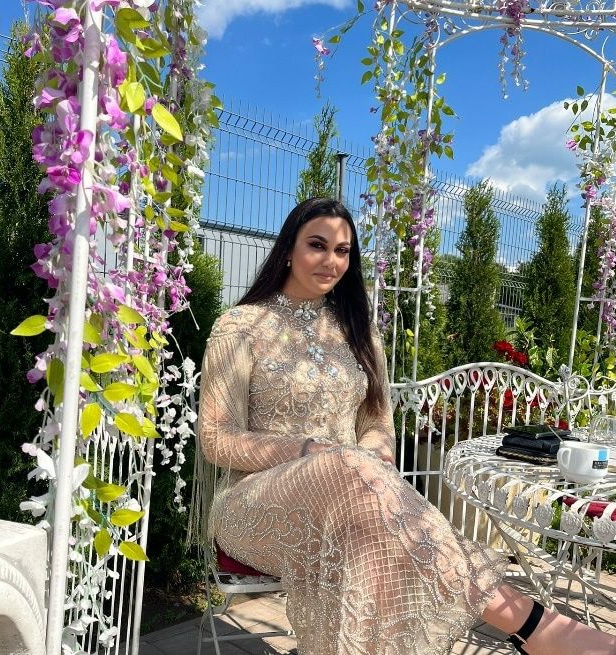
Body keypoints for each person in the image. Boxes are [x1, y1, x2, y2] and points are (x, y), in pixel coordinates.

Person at [193, 197, 616, 655]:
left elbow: (377, 422)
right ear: (288, 250)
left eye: (343, 251)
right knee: (351, 474)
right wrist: (311, 451)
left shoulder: (356, 329)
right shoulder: (241, 326)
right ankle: (534, 626)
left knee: (372, 539)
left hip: (354, 500)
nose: (331, 261)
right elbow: (216, 439)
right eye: (318, 245)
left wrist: (373, 453)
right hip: (256, 501)